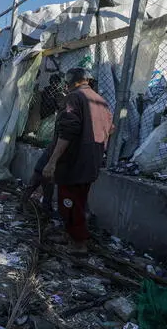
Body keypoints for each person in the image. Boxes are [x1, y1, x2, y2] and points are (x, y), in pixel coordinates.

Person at [42, 68, 113, 252]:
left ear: (72, 81)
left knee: (70, 202)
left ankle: (78, 243)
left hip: (74, 162)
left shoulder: (74, 98)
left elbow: (68, 132)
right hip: (91, 162)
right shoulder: (100, 100)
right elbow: (110, 128)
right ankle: (70, 235)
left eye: (67, 82)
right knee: (79, 200)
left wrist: (52, 161)